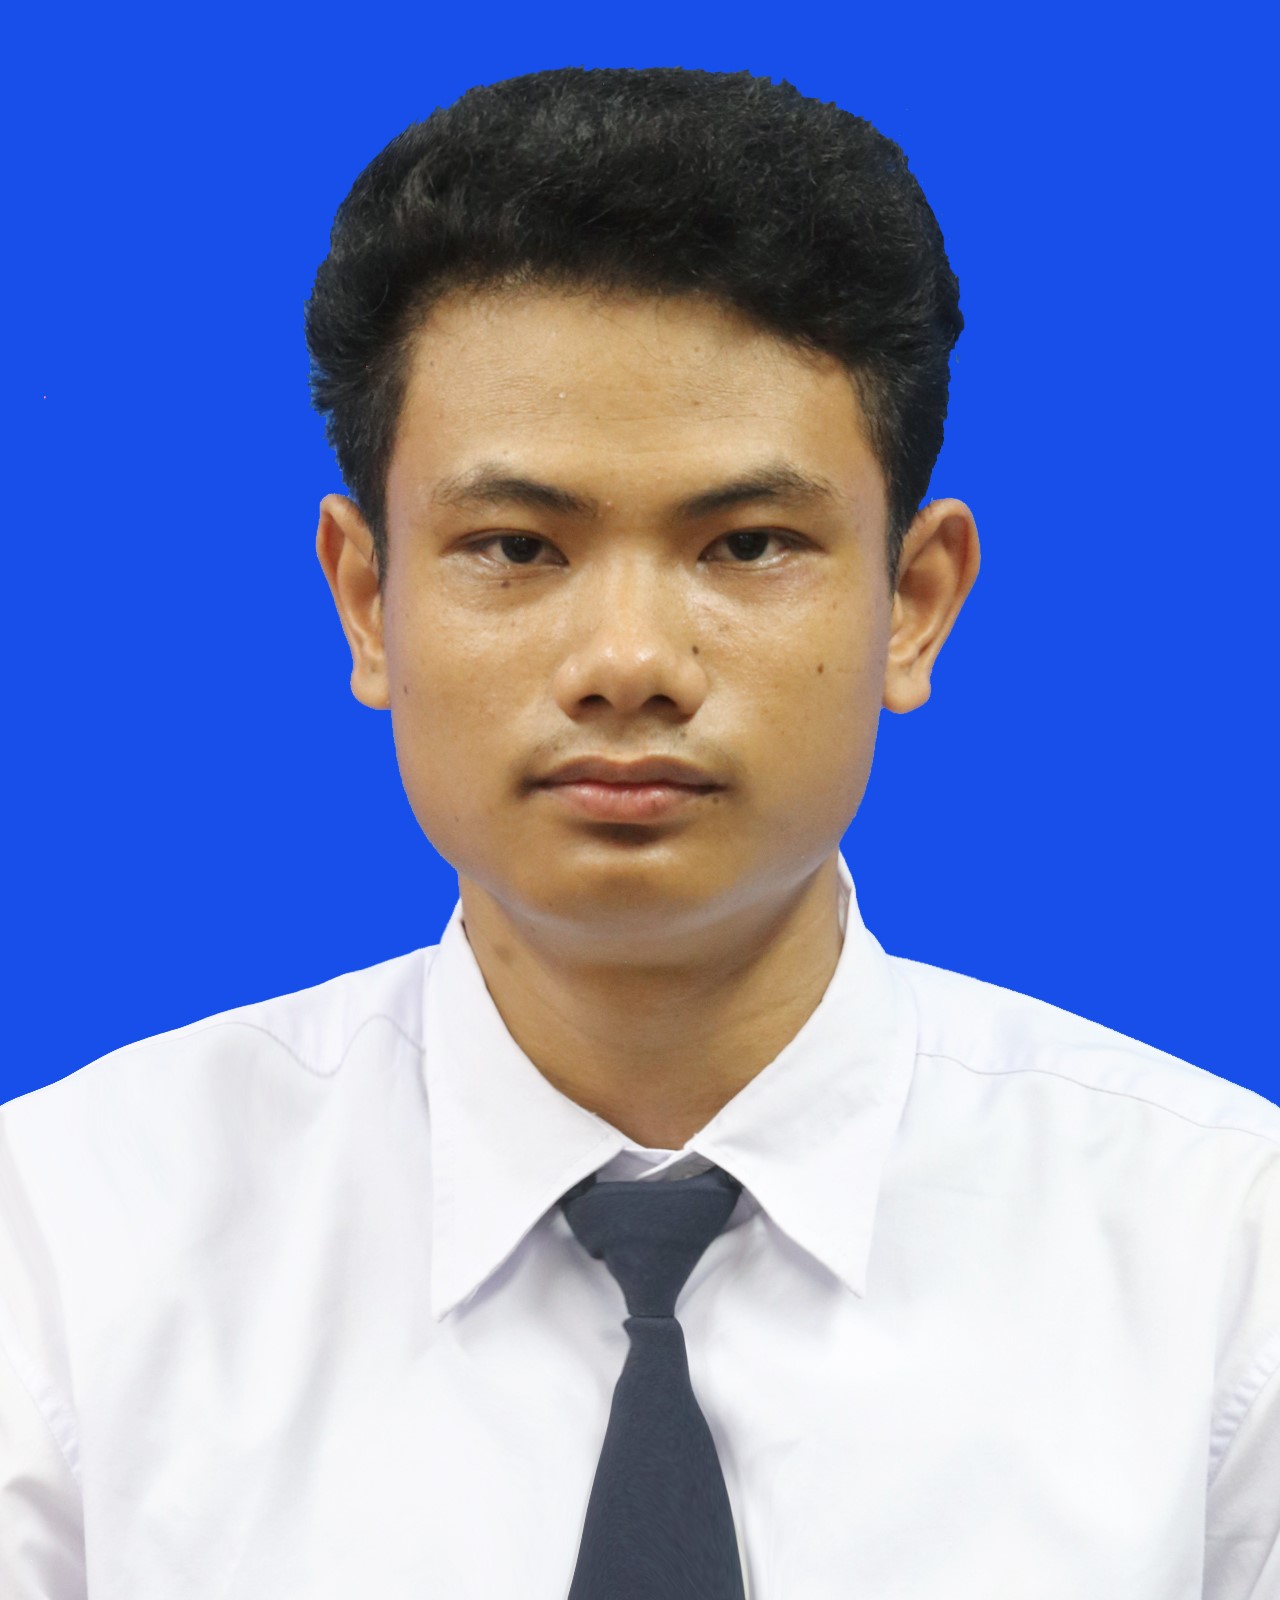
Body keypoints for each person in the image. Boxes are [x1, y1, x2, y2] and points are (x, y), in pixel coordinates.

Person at [1, 65, 1275, 1600]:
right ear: (368, 599)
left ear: (914, 603)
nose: (629, 662)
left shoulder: (1227, 1263)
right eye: (514, 545)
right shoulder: (63, 1249)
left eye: (747, 543)